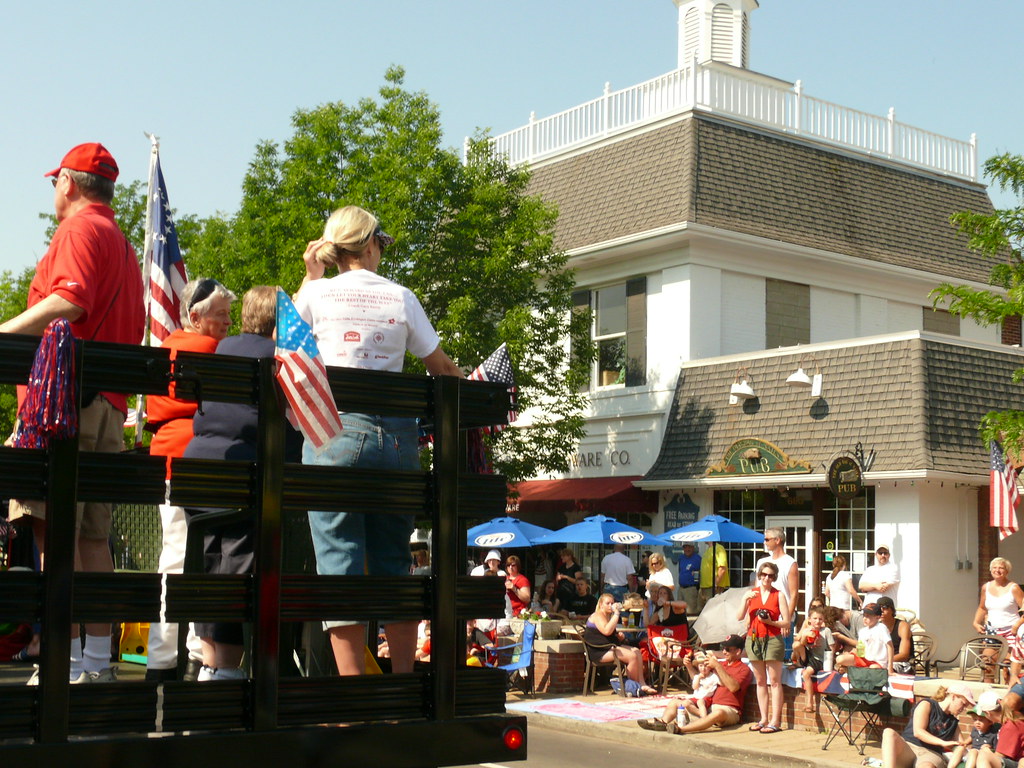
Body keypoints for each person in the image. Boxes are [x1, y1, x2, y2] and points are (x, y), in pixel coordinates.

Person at [296, 205, 463, 676]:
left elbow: (280, 346)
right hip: (396, 442)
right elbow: (443, 371)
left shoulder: (318, 294)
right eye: (381, 247)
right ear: (369, 246)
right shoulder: (401, 297)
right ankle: (402, 684)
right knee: (394, 558)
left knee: (338, 558)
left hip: (334, 434)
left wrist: (310, 278)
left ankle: (353, 691)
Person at [2, 143, 145, 683]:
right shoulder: (125, 246)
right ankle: (92, 664)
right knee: (90, 537)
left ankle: (62, 662)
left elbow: (70, 299)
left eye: (53, 183)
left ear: (67, 182)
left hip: (63, 406)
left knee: (51, 529)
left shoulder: (79, 231)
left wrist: (4, 333)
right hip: (105, 403)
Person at [180, 286, 302, 681]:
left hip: (197, 468)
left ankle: (212, 667)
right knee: (239, 565)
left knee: (209, 565)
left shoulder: (225, 348)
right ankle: (228, 673)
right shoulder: (278, 359)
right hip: (242, 472)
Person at [145, 277, 236, 681]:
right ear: (195, 316)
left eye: (229, 315)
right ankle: (195, 655)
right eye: (221, 315)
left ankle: (164, 658)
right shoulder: (214, 350)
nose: (228, 322)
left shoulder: (164, 348)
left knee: (175, 558)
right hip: (196, 459)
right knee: (200, 560)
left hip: (166, 458)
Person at [636, 634, 752, 734]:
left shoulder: (744, 669)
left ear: (737, 651)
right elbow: (700, 679)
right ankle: (662, 723)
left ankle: (681, 729)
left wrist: (717, 666)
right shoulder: (722, 664)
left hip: (729, 710)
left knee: (718, 713)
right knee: (675, 702)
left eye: (728, 649)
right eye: (723, 648)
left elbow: (733, 687)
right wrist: (689, 666)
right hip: (709, 705)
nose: (724, 652)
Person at [738, 560, 791, 734]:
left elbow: (786, 621)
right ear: (759, 576)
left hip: (773, 638)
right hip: (754, 639)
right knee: (760, 681)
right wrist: (744, 600)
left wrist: (771, 622)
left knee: (774, 681)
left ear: (774, 577)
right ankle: (763, 719)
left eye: (770, 575)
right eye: (764, 575)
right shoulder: (751, 594)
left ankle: (775, 721)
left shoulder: (779, 595)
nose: (767, 578)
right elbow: (739, 617)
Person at [880, 683, 974, 767]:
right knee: (888, 732)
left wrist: (974, 744)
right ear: (954, 697)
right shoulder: (927, 704)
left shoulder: (953, 723)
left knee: (926, 766)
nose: (963, 709)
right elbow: (918, 732)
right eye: (963, 704)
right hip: (909, 747)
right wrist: (943, 743)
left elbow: (962, 745)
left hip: (931, 754)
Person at [583, 593, 657, 695]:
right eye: (607, 603)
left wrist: (618, 637)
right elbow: (606, 631)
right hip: (598, 651)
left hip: (608, 647)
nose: (610, 605)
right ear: (601, 604)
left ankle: (642, 683)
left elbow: (608, 635)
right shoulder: (598, 615)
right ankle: (634, 687)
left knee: (636, 651)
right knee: (631, 657)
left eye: (612, 603)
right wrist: (617, 614)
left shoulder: (608, 616)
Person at [972, 557, 1024, 684]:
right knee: (987, 661)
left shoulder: (1014, 587)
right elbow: (982, 607)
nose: (997, 570)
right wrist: (975, 623)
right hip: (993, 631)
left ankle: (1010, 691)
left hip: (1011, 631)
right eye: (994, 568)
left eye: (1001, 568)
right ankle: (987, 693)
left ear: (1007, 571)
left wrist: (1017, 625)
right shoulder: (986, 587)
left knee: (1010, 664)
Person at [792, 606, 833, 713]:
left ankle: (809, 703)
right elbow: (801, 644)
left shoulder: (826, 631)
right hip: (808, 656)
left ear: (823, 620)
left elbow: (832, 648)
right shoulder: (807, 630)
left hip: (819, 659)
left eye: (820, 619)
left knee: (806, 674)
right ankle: (798, 663)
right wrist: (806, 638)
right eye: (815, 618)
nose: (817, 621)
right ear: (809, 620)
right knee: (796, 644)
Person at [948, 690, 1002, 768]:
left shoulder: (993, 734)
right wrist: (965, 743)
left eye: (980, 720)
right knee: (960, 748)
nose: (977, 723)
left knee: (973, 751)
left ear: (990, 722)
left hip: (982, 758)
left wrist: (989, 748)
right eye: (975, 720)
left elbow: (996, 751)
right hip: (971, 756)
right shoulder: (975, 730)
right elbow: (971, 737)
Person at [835, 602, 893, 673]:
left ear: (877, 617)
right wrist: (852, 654)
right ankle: (852, 668)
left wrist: (890, 667)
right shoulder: (862, 631)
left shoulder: (882, 628)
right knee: (840, 659)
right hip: (863, 659)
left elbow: (890, 647)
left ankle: (852, 669)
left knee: (873, 668)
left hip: (877, 662)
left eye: (868, 616)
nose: (865, 618)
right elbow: (860, 649)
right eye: (864, 616)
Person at [754, 527, 799, 615]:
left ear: (777, 540)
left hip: (781, 614)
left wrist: (787, 618)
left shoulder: (790, 563)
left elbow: (794, 595)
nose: (764, 542)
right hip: (762, 613)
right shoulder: (761, 562)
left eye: (767, 539)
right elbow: (757, 589)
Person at [978, 702, 1024, 768]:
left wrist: (987, 750)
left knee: (984, 757)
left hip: (1020, 762)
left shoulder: (1010, 726)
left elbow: (1000, 756)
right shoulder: (1012, 720)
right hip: (1017, 761)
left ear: (988, 713)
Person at [877, 596, 914, 675]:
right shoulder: (877, 627)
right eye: (879, 608)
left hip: (901, 664)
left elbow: (904, 655)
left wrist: (885, 660)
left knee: (878, 670)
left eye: (885, 608)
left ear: (892, 610)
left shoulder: (902, 626)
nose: (881, 611)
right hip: (883, 662)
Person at [699, 542, 729, 612]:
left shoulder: (719, 548)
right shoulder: (708, 549)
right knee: (703, 613)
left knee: (712, 611)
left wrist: (715, 584)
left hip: (713, 588)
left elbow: (722, 568)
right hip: (704, 587)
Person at [677, 542, 701, 613]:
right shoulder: (681, 558)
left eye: (689, 547)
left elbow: (699, 574)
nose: (687, 549)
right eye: (685, 547)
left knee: (690, 613)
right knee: (679, 612)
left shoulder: (697, 559)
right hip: (681, 589)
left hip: (691, 589)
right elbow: (680, 571)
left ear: (693, 548)